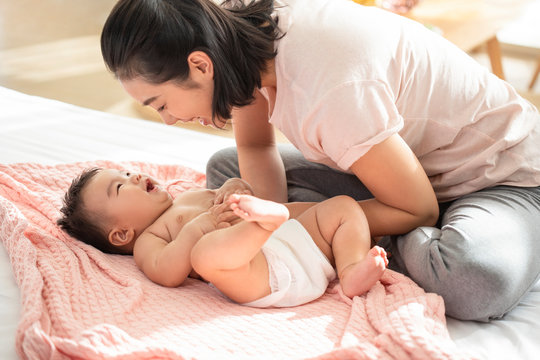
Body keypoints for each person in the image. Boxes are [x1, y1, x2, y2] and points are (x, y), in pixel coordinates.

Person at [100, 0, 540, 320]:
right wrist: (262, 230)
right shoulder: (232, 37)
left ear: (199, 66)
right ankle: (344, 231)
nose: (170, 120)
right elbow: (255, 147)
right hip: (404, 166)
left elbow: (419, 209)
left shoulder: (329, 91)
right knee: (227, 167)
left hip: (500, 177)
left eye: (160, 104)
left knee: (473, 278)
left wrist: (290, 219)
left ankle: (345, 238)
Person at [57, 168, 388, 307]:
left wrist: (233, 187)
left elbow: (228, 196)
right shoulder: (149, 240)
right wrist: (196, 229)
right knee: (204, 255)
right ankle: (265, 222)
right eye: (121, 186)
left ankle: (351, 270)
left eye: (127, 172)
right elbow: (168, 273)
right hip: (260, 274)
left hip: (291, 244)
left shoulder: (187, 196)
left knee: (342, 208)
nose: (135, 176)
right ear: (121, 234)